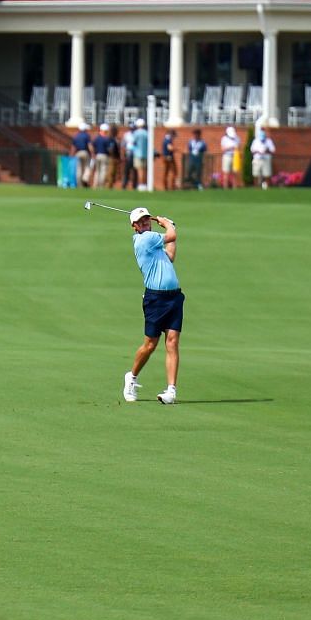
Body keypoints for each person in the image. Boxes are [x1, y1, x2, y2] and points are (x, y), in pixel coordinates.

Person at [121, 207, 181, 405]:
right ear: (134, 226)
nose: (145, 222)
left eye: (147, 219)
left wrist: (171, 233)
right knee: (150, 345)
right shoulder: (144, 240)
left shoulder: (155, 244)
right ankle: (131, 377)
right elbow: (171, 235)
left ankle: (171, 390)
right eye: (141, 220)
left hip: (174, 297)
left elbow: (170, 256)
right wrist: (168, 224)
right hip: (155, 300)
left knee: (172, 342)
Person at [91, 122, 116, 189]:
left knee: (97, 171)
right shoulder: (107, 139)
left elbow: (92, 146)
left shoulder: (97, 138)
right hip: (104, 155)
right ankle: (101, 185)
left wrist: (93, 153)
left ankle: (95, 185)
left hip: (97, 155)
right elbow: (110, 149)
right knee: (103, 170)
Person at [130, 118, 151, 190]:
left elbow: (132, 143)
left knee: (140, 171)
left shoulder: (136, 133)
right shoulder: (147, 133)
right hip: (146, 154)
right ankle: (144, 184)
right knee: (144, 170)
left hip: (137, 154)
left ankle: (141, 185)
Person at [158, 126, 178, 191]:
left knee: (165, 172)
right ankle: (172, 186)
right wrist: (176, 149)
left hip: (164, 157)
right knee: (174, 172)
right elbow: (170, 148)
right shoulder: (168, 139)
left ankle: (165, 187)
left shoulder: (165, 139)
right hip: (169, 157)